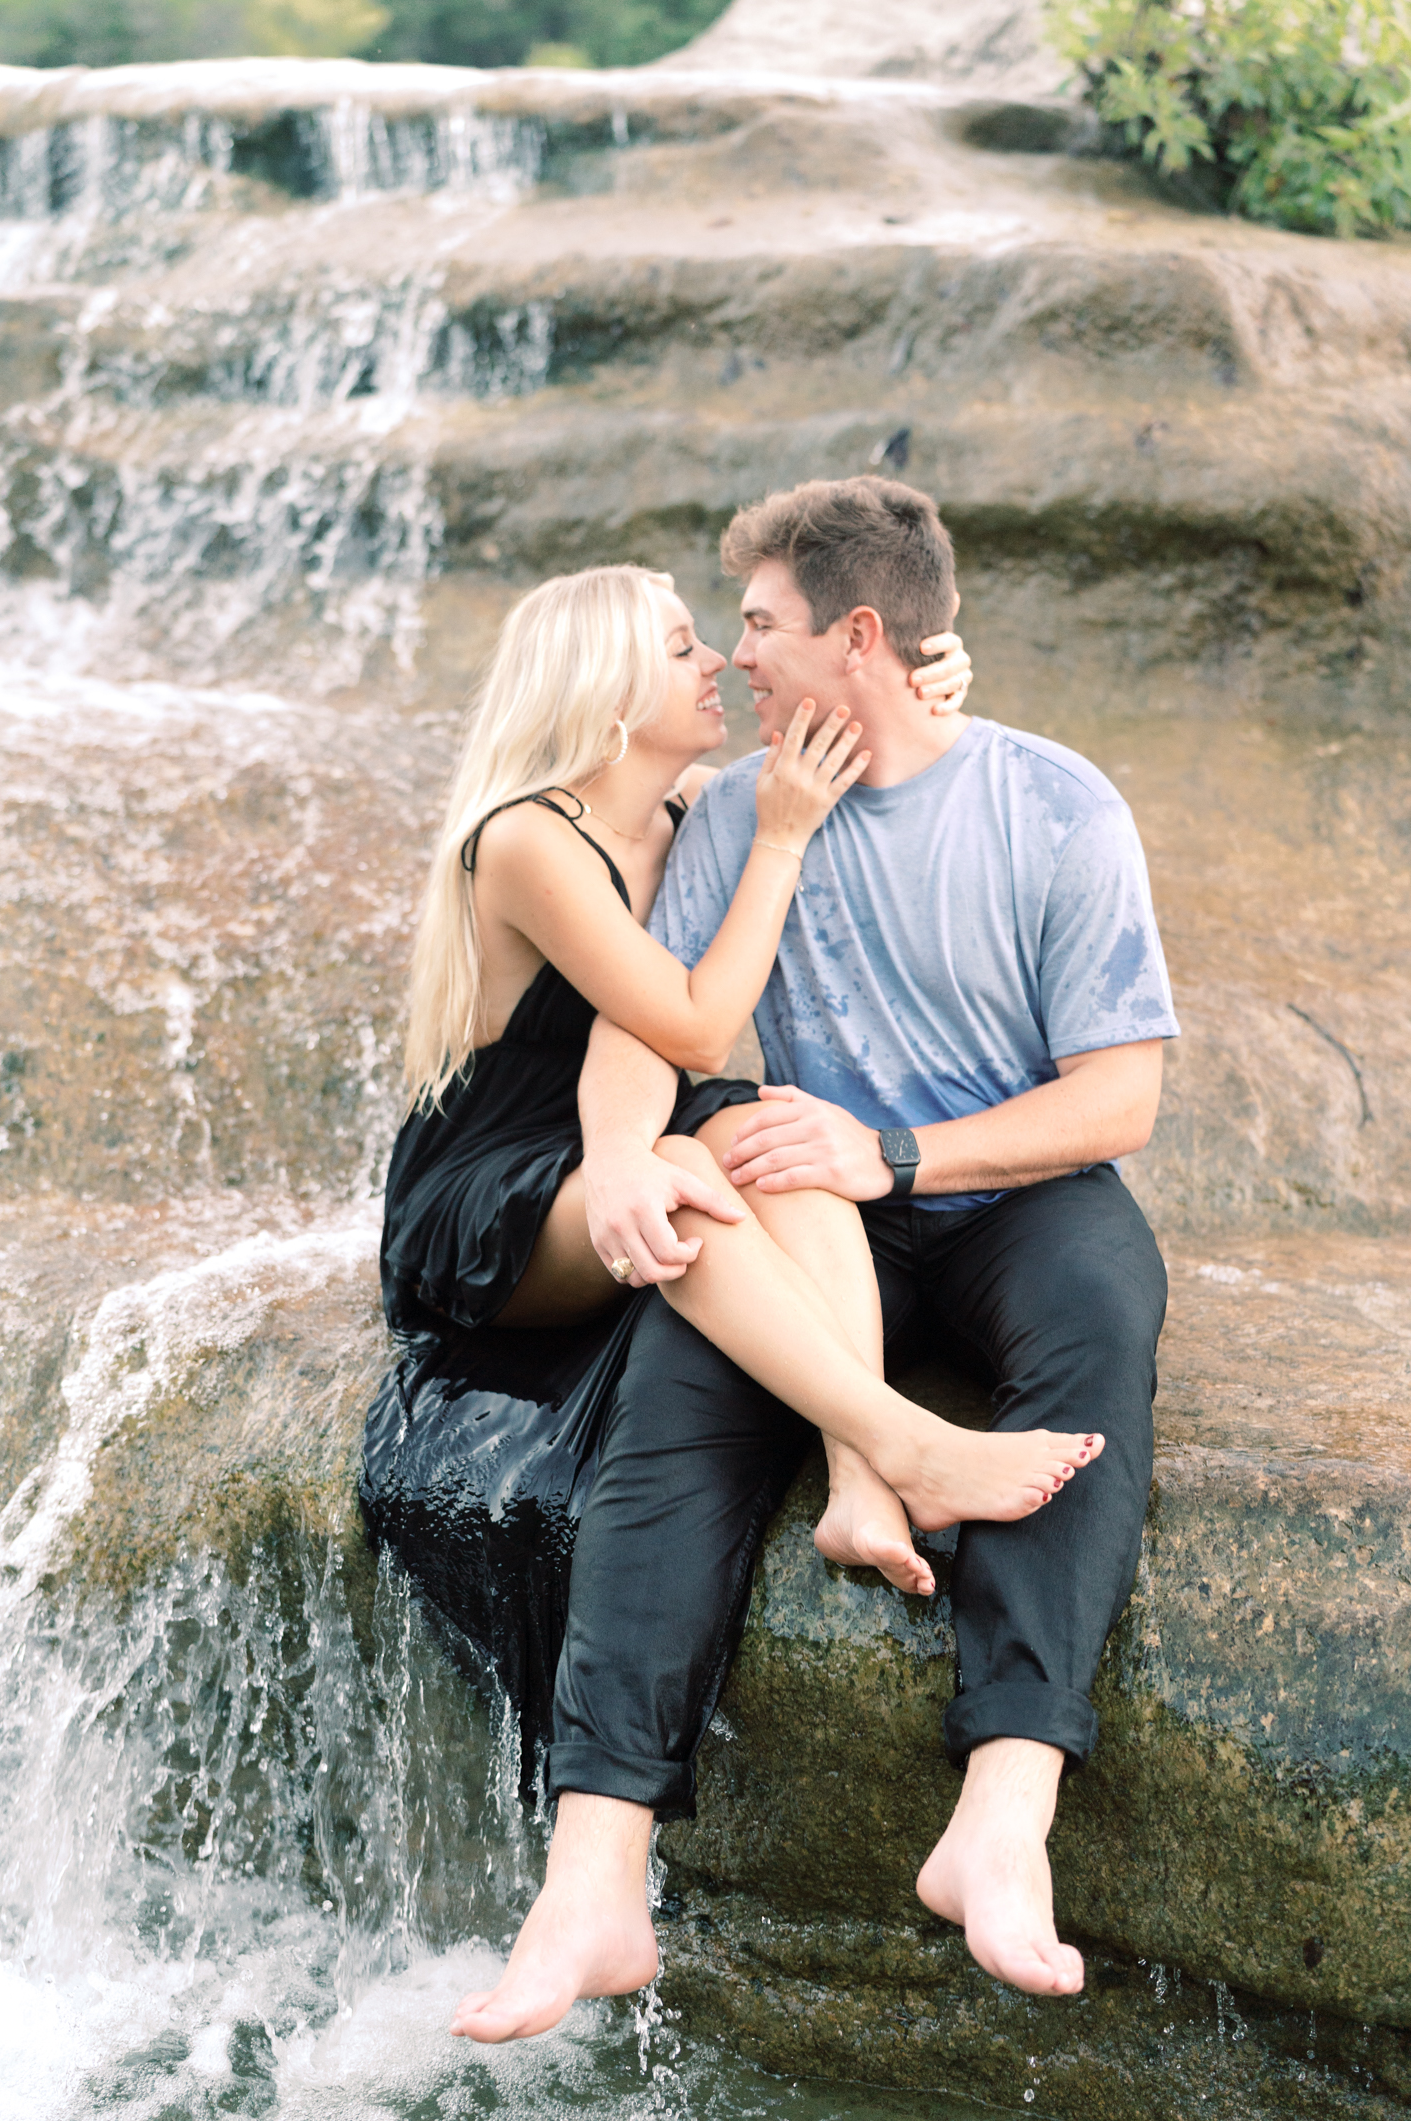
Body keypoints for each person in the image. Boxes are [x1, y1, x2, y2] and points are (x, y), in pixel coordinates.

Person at [451, 476, 1177, 2040]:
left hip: (1003, 1193)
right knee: (669, 1393)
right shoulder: (730, 810)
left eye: (760, 626)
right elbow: (655, 1032)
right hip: (808, 1199)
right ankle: (592, 1881)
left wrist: (898, 1151)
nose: (733, 655)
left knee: (1100, 1330)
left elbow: (1119, 1093)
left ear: (859, 634)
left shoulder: (1055, 803)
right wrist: (634, 1158)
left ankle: (1000, 1814)